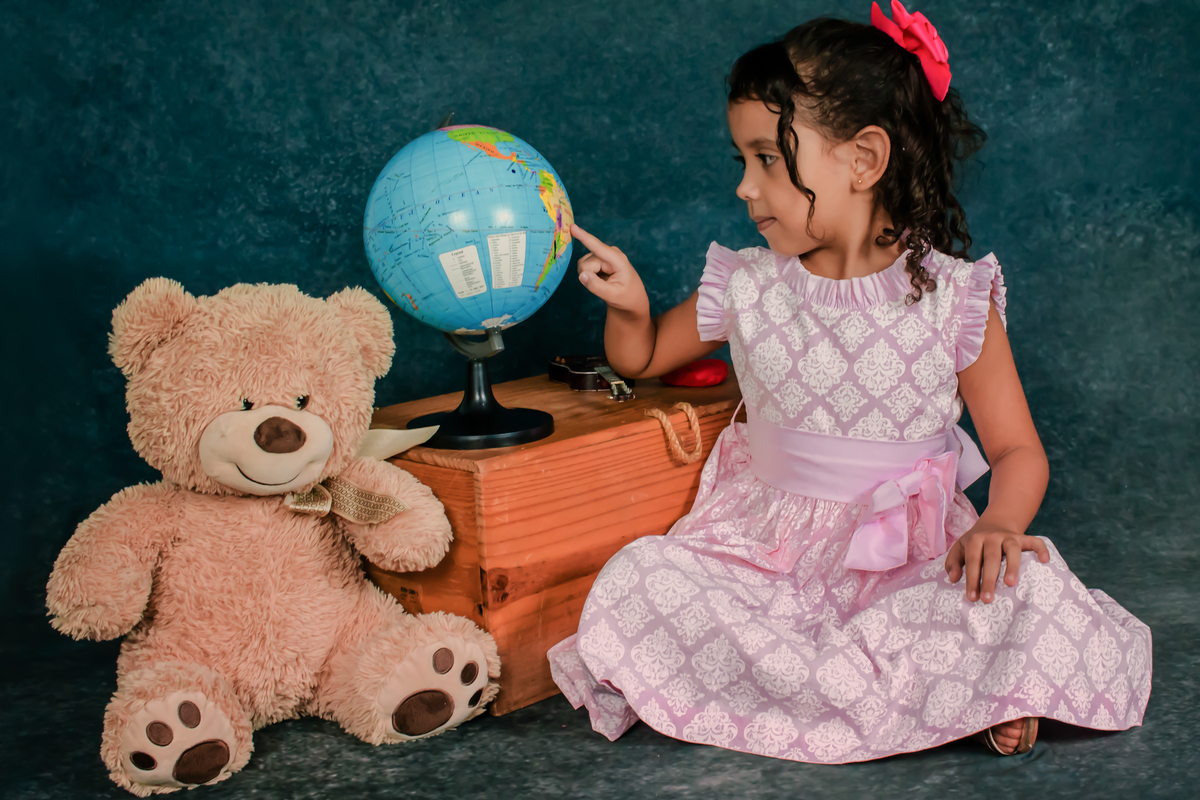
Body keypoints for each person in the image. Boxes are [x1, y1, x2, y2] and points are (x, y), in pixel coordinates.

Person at [546, 1, 1151, 762]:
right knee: (644, 577)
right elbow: (639, 359)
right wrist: (630, 305)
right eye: (742, 161)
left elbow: (1019, 451)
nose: (745, 187)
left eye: (767, 158)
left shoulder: (954, 299)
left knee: (1021, 593)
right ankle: (947, 697)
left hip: (906, 560)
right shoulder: (750, 285)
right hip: (762, 556)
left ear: (865, 160)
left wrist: (999, 525)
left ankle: (910, 682)